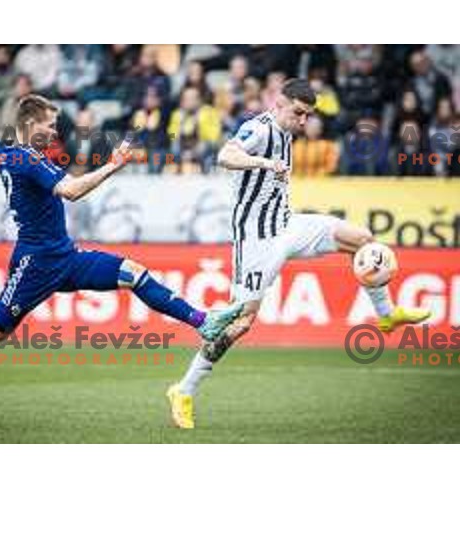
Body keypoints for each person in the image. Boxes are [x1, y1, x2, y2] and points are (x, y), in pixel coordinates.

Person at [0, 94, 243, 398]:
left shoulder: (6, 152)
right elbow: (72, 191)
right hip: (35, 264)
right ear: (30, 124)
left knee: (133, 273)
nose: (55, 132)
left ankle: (203, 322)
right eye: (49, 125)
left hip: (64, 255)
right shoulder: (29, 159)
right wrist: (112, 166)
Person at [166, 79, 432, 429]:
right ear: (280, 103)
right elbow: (225, 155)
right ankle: (184, 390)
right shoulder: (258, 129)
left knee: (363, 239)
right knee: (241, 323)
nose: (304, 121)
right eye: (299, 113)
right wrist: (263, 163)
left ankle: (386, 315)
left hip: (287, 225)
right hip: (257, 240)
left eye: (308, 115)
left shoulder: (288, 131)